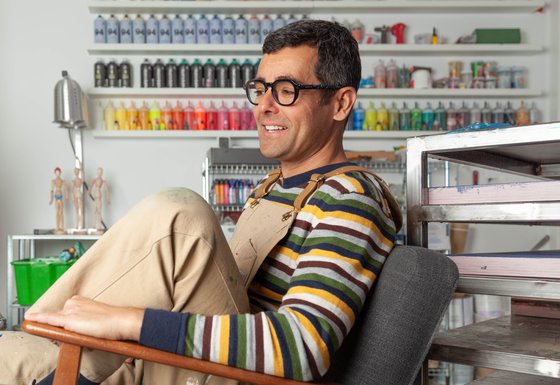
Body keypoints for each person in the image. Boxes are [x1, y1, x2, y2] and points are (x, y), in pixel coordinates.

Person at [1, 20, 400, 385]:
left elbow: (302, 347)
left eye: (286, 90)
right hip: (177, 361)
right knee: (7, 354)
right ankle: (55, 341)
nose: (264, 106)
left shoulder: (350, 199)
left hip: (232, 376)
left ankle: (54, 336)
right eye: (260, 89)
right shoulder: (273, 187)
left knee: (182, 216)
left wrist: (129, 322)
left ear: (342, 103)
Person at [87, 167, 110, 231]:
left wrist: (108, 198)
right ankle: (94, 225)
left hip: (99, 198)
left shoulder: (103, 181)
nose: (99, 173)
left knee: (99, 212)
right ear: (97, 172)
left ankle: (99, 225)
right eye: (98, 172)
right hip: (95, 198)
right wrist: (89, 192)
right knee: (94, 211)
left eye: (101, 172)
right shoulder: (94, 180)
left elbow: (106, 190)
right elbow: (90, 186)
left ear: (102, 173)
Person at [49, 167, 69, 233]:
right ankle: (58, 226)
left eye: (59, 172)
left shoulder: (62, 181)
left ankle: (62, 226)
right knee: (57, 212)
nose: (58, 173)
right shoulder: (53, 181)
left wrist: (67, 197)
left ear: (60, 173)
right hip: (56, 196)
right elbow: (51, 190)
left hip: (60, 196)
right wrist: (51, 199)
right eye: (57, 172)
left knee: (61, 212)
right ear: (55, 173)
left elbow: (66, 189)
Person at [72, 166, 85, 231]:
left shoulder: (80, 180)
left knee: (81, 210)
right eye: (75, 171)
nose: (76, 172)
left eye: (77, 171)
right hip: (76, 195)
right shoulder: (73, 180)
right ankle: (77, 224)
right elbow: (72, 189)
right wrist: (72, 198)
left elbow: (82, 178)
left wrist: (81, 167)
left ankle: (81, 224)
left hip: (79, 194)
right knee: (76, 211)